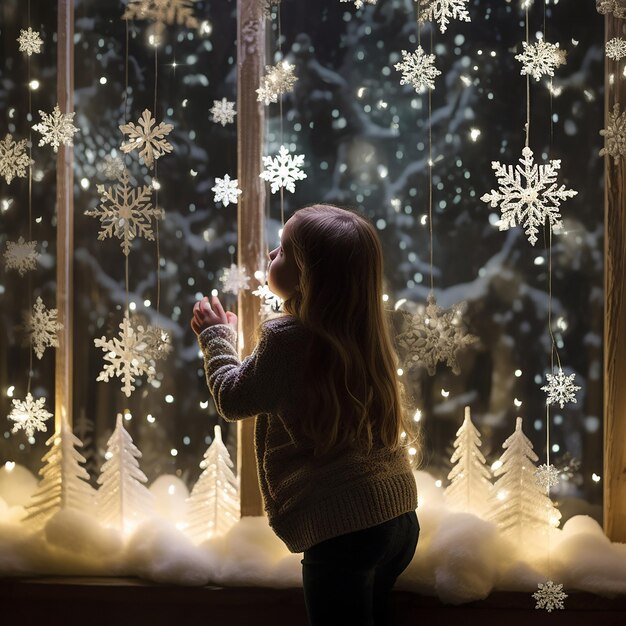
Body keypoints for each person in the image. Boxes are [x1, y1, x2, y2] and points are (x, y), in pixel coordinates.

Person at [191, 204, 419, 626]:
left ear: (307, 276)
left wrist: (216, 338)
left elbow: (234, 397)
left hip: (342, 532)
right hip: (399, 518)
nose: (270, 257)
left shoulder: (287, 340)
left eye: (281, 251)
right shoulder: (364, 332)